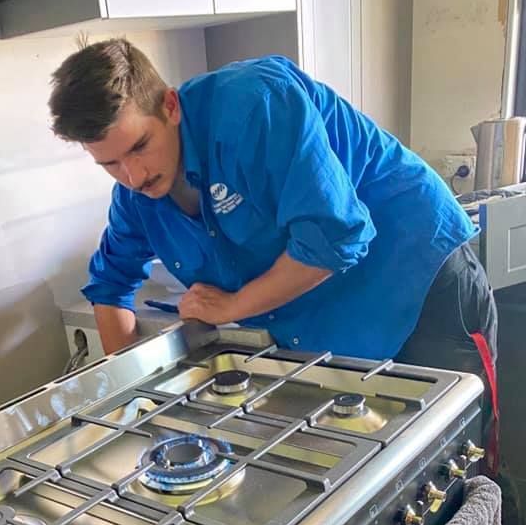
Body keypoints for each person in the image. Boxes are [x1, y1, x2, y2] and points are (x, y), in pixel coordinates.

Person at [49, 39, 497, 406]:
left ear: (170, 106)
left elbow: (334, 238)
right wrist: (131, 398)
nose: (134, 175)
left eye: (140, 146)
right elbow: (111, 288)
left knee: (461, 459)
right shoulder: (134, 197)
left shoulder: (255, 105)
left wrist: (233, 306)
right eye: (110, 163)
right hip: (325, 325)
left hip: (417, 277)